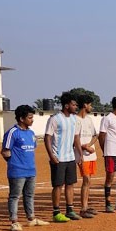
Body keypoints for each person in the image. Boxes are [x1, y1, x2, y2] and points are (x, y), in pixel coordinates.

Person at [1, 105, 49, 231]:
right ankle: (14, 222)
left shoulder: (31, 133)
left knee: (29, 195)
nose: (32, 120)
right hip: (17, 171)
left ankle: (31, 218)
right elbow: (5, 151)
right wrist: (14, 163)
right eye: (29, 117)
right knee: (15, 196)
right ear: (21, 119)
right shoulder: (12, 133)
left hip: (31, 170)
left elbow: (32, 148)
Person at [44, 93, 82, 222]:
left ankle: (70, 210)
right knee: (58, 185)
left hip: (70, 157)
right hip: (58, 158)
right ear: (66, 105)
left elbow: (76, 137)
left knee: (70, 184)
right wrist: (51, 155)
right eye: (73, 104)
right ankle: (56, 212)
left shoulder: (74, 119)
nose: (75, 106)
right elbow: (47, 137)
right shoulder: (55, 119)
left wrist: (79, 153)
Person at [76, 93, 98, 218]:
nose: (91, 107)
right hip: (82, 155)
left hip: (91, 155)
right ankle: (83, 208)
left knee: (89, 181)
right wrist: (83, 148)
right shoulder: (76, 120)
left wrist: (89, 145)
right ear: (85, 105)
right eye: (90, 105)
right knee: (86, 180)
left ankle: (86, 205)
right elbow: (75, 139)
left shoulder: (89, 120)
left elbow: (95, 135)